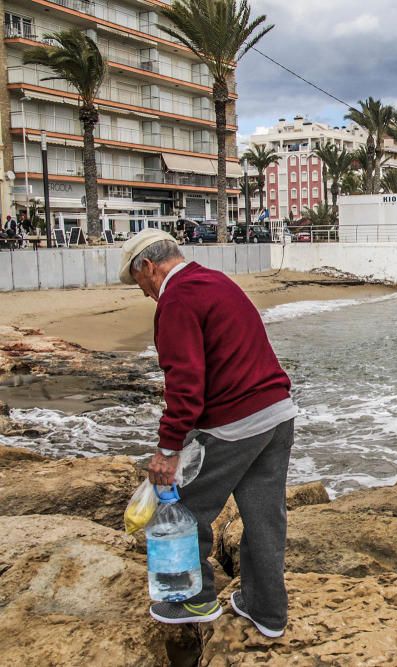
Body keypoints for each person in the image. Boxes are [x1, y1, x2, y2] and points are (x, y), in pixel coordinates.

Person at [119, 229, 296, 637]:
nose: (143, 292)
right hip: (277, 413)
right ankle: (267, 611)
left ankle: (192, 600)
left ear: (149, 266)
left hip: (235, 423)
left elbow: (185, 382)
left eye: (139, 282)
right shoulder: (216, 280)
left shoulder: (176, 299)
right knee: (265, 517)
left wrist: (167, 448)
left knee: (184, 508)